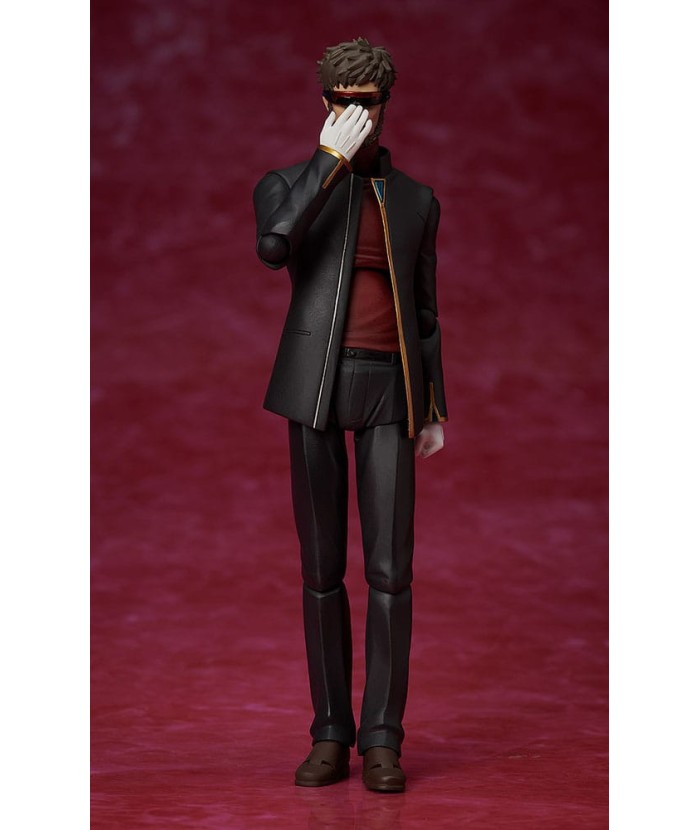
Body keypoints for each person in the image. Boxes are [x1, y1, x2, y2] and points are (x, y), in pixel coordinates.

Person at [253, 37, 448, 793]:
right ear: (325, 103)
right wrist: (327, 161)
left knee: (392, 573)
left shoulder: (417, 200)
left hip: (391, 389)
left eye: (368, 105)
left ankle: (383, 738)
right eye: (342, 103)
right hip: (314, 388)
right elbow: (275, 245)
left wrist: (433, 406)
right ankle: (330, 731)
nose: (356, 115)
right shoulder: (287, 184)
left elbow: (425, 313)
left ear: (387, 105)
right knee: (321, 571)